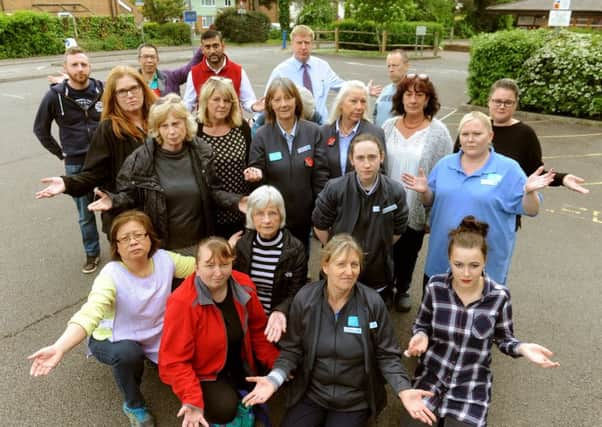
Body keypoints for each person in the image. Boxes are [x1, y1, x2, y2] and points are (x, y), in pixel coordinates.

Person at [241, 234, 437, 427]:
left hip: (354, 401)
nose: (349, 271)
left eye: (354, 264)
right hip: (312, 393)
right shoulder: (306, 298)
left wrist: (403, 389)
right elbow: (292, 349)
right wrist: (274, 379)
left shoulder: (373, 303)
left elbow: (387, 356)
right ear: (325, 266)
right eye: (341, 264)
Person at [28, 210, 198, 427]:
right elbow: (90, 312)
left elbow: (203, 268)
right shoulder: (111, 274)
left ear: (149, 238)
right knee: (128, 354)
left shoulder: (165, 259)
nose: (133, 242)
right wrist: (60, 347)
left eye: (138, 235)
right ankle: (134, 404)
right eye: (125, 239)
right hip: (111, 337)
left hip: (156, 332)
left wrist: (227, 250)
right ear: (116, 246)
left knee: (189, 344)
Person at [403, 216, 560, 427]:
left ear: (485, 261)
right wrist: (420, 336)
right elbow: (421, 324)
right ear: (449, 260)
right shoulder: (435, 287)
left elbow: (504, 339)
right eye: (458, 265)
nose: (466, 273)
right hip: (431, 378)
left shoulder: (499, 296)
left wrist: (522, 348)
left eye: (474, 265)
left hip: (471, 386)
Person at [402, 111, 555, 285]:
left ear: (490, 136)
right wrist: (424, 191)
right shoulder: (445, 164)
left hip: (485, 266)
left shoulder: (508, 168)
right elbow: (430, 201)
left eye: (477, 134)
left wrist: (529, 192)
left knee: (478, 312)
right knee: (437, 309)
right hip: (441, 260)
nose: (470, 139)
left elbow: (531, 210)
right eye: (465, 134)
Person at [88, 94, 243, 256]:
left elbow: (213, 192)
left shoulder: (202, 152)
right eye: (164, 126)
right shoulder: (141, 159)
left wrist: (238, 201)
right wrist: (114, 201)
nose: (172, 131)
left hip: (200, 245)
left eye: (176, 124)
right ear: (157, 129)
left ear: (186, 123)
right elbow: (130, 196)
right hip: (162, 250)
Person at [158, 236, 280, 427]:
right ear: (197, 268)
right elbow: (173, 360)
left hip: (239, 359)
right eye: (209, 265)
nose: (218, 272)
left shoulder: (244, 285)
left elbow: (258, 328)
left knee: (281, 377)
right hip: (206, 371)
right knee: (224, 409)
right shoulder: (181, 303)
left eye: (224, 264)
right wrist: (192, 398)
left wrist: (276, 363)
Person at [36, 66, 157, 235]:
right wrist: (67, 183)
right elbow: (94, 173)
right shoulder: (108, 129)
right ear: (113, 97)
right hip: (128, 213)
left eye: (133, 88)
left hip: (161, 210)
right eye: (122, 91)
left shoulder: (159, 119)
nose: (130, 95)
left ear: (143, 88)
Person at [382, 73, 453, 312]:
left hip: (416, 202)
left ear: (427, 99)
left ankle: (402, 288)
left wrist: (432, 212)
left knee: (408, 250)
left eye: (419, 94)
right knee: (384, 249)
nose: (413, 100)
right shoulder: (388, 126)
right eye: (408, 94)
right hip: (385, 203)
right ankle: (385, 287)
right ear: (400, 98)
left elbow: (445, 175)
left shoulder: (438, 132)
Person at [313, 133, 408, 304]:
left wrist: (380, 246)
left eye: (372, 157)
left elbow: (398, 229)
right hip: (341, 270)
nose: (366, 164)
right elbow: (319, 225)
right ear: (351, 159)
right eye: (360, 157)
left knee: (373, 318)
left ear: (382, 157)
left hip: (377, 271)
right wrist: (339, 251)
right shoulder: (335, 189)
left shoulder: (395, 191)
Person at [33, 46, 102, 274]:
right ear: (66, 68)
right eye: (74, 64)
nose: (80, 69)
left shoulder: (101, 89)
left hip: (104, 158)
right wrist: (60, 152)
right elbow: (40, 129)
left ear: (89, 66)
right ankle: (92, 253)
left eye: (84, 64)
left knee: (118, 202)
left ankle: (122, 249)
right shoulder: (55, 96)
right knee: (85, 214)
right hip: (76, 162)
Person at [245, 77, 329, 250]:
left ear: (296, 101)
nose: (283, 104)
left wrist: (320, 212)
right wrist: (256, 174)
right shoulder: (261, 135)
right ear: (270, 105)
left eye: (288, 98)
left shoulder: (314, 132)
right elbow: (256, 167)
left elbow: (320, 176)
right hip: (273, 217)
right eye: (277, 99)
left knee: (301, 261)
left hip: (304, 216)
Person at [233, 185, 307, 343]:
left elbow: (297, 292)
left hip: (279, 322)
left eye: (272, 213)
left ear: (281, 215)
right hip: (248, 321)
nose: (266, 220)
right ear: (251, 216)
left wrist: (280, 312)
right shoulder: (242, 246)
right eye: (260, 213)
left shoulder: (295, 249)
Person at [265, 25, 380, 125]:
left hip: (321, 126)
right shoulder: (280, 71)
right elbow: (267, 101)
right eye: (299, 43)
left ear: (312, 44)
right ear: (292, 44)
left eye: (307, 43)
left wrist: (364, 90)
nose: (303, 47)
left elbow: (341, 86)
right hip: (296, 127)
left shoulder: (322, 66)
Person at [197, 76, 252, 238]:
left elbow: (251, 161)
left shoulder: (241, 127)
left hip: (241, 209)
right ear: (206, 101)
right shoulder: (195, 131)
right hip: (208, 214)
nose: (222, 105)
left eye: (227, 100)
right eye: (216, 99)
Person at [183, 30, 262, 113]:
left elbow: (248, 100)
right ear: (202, 49)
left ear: (223, 46)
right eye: (207, 47)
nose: (212, 51)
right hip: (206, 125)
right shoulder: (194, 73)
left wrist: (254, 106)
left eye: (215, 46)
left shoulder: (238, 71)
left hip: (233, 123)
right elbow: (188, 104)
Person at [320, 80, 386, 178]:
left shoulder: (375, 133)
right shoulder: (324, 132)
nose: (359, 107)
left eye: (363, 101)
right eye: (353, 101)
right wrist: (330, 192)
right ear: (341, 104)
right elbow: (319, 172)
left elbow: (381, 172)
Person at [137, 43, 204, 96]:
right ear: (139, 59)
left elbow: (188, 69)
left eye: (152, 57)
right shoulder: (133, 81)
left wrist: (201, 50)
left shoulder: (170, 77)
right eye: (145, 57)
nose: (149, 60)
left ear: (157, 59)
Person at [373, 49, 410, 127]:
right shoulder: (385, 90)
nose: (391, 69)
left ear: (406, 66)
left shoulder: (414, 92)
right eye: (389, 66)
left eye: (395, 65)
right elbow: (375, 116)